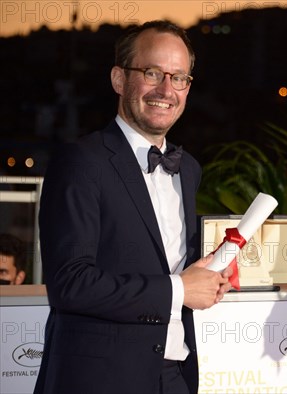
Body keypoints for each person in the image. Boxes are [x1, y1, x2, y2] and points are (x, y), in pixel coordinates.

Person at [35, 21, 232, 394]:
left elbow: (159, 262)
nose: (166, 90)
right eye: (152, 73)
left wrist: (204, 278)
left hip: (174, 374)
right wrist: (179, 290)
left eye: (179, 78)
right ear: (119, 79)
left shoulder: (188, 169)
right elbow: (69, 283)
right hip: (101, 380)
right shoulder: (81, 161)